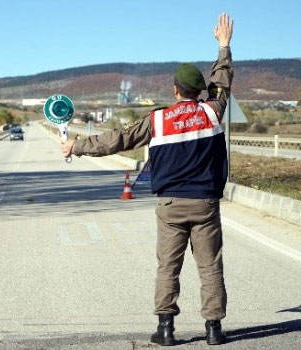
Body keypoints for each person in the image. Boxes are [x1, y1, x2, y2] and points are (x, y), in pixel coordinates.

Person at [61, 13, 234, 346]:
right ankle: (214, 330)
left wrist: (76, 145)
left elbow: (115, 140)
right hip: (205, 204)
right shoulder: (213, 111)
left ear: (174, 89)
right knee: (210, 266)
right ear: (199, 91)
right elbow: (223, 82)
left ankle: (166, 330)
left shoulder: (157, 121)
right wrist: (223, 46)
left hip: (170, 205)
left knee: (167, 267)